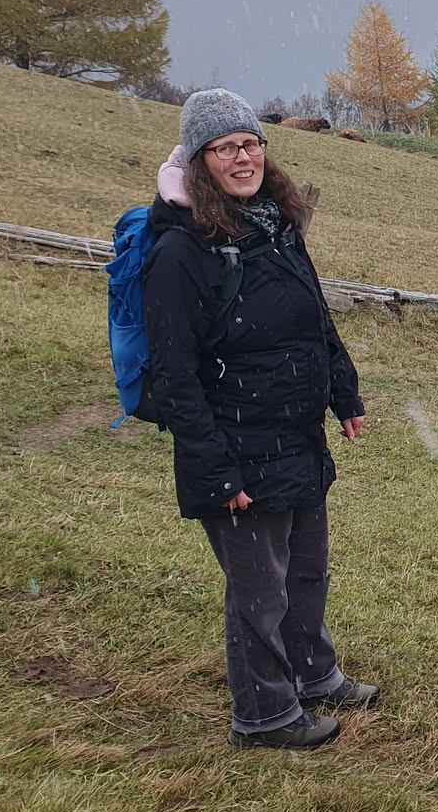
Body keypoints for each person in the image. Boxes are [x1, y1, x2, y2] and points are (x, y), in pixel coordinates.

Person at [144, 89, 374, 750]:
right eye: (225, 148)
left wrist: (344, 393)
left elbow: (314, 317)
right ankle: (265, 716)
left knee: (305, 570)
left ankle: (313, 674)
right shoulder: (181, 252)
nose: (243, 158)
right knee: (259, 590)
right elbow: (173, 376)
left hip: (294, 433)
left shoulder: (274, 225)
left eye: (251, 144)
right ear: (199, 161)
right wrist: (216, 470)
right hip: (236, 442)